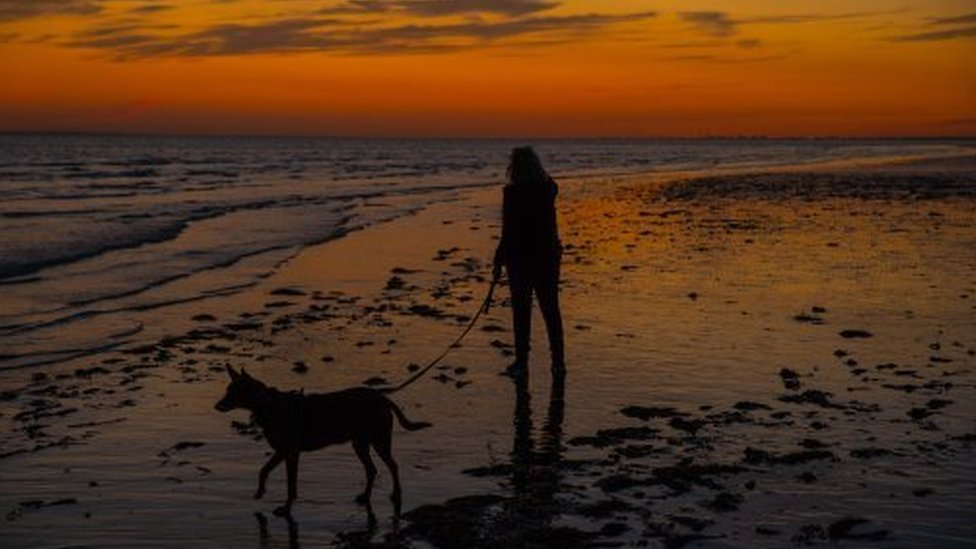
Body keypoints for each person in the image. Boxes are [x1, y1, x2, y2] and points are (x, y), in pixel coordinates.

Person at [492, 146, 565, 377]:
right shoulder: (548, 190)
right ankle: (558, 363)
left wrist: (498, 259)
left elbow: (509, 230)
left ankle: (522, 364)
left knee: (522, 312)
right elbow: (551, 184)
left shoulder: (512, 194)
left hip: (520, 259)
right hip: (547, 257)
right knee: (551, 310)